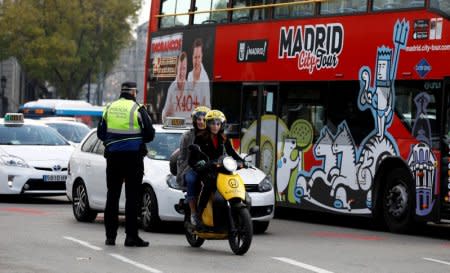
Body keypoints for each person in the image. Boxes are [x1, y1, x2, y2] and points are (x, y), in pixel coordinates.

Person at [97, 82, 155, 247]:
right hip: (133, 158)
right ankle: (131, 237)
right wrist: (136, 140)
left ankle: (110, 237)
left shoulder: (109, 108)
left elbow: (101, 133)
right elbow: (150, 134)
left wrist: (114, 142)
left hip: (113, 158)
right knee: (132, 198)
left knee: (112, 196)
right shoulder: (137, 108)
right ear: (133, 92)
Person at [189, 110, 245, 224]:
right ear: (208, 124)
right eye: (212, 123)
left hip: (221, 169)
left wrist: (243, 162)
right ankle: (198, 214)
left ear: (222, 125)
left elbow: (232, 153)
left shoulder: (224, 139)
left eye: (218, 124)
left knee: (235, 182)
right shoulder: (200, 138)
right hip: (206, 170)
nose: (215, 126)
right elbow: (192, 158)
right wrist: (199, 163)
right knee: (210, 183)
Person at [176, 106, 210, 226]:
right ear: (195, 120)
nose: (201, 122)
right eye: (198, 119)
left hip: (210, 167)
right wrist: (182, 174)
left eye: (204, 119)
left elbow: (225, 151)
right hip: (192, 168)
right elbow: (182, 157)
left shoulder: (214, 133)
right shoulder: (187, 136)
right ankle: (194, 213)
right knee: (191, 180)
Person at [161, 51, 191, 121]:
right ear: (177, 69)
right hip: (174, 128)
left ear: (186, 69)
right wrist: (166, 112)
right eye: (180, 68)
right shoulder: (172, 88)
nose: (182, 73)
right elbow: (164, 118)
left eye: (184, 68)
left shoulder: (190, 88)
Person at [187, 38, 211, 109]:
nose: (197, 61)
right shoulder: (189, 75)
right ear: (192, 57)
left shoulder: (205, 79)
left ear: (202, 57)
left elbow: (207, 105)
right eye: (195, 57)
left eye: (199, 57)